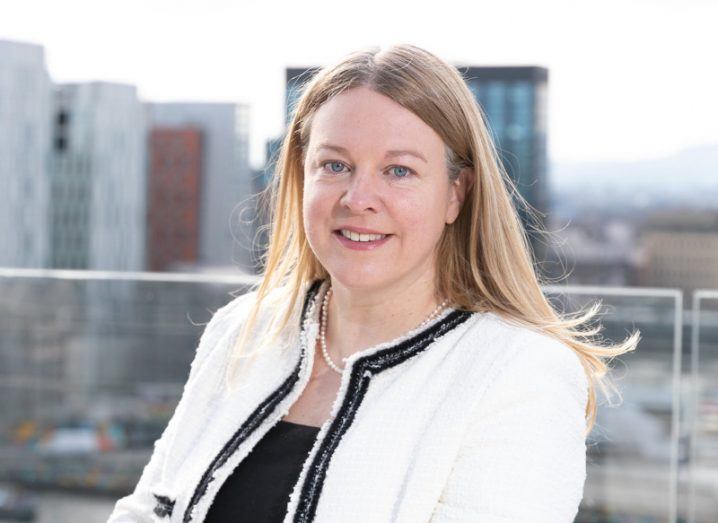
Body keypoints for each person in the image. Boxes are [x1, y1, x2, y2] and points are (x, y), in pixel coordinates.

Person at [108, 44, 639, 523]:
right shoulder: (244, 329)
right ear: (301, 178)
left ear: (457, 193)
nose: (358, 198)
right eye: (334, 165)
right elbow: (148, 508)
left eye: (399, 171)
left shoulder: (519, 372)